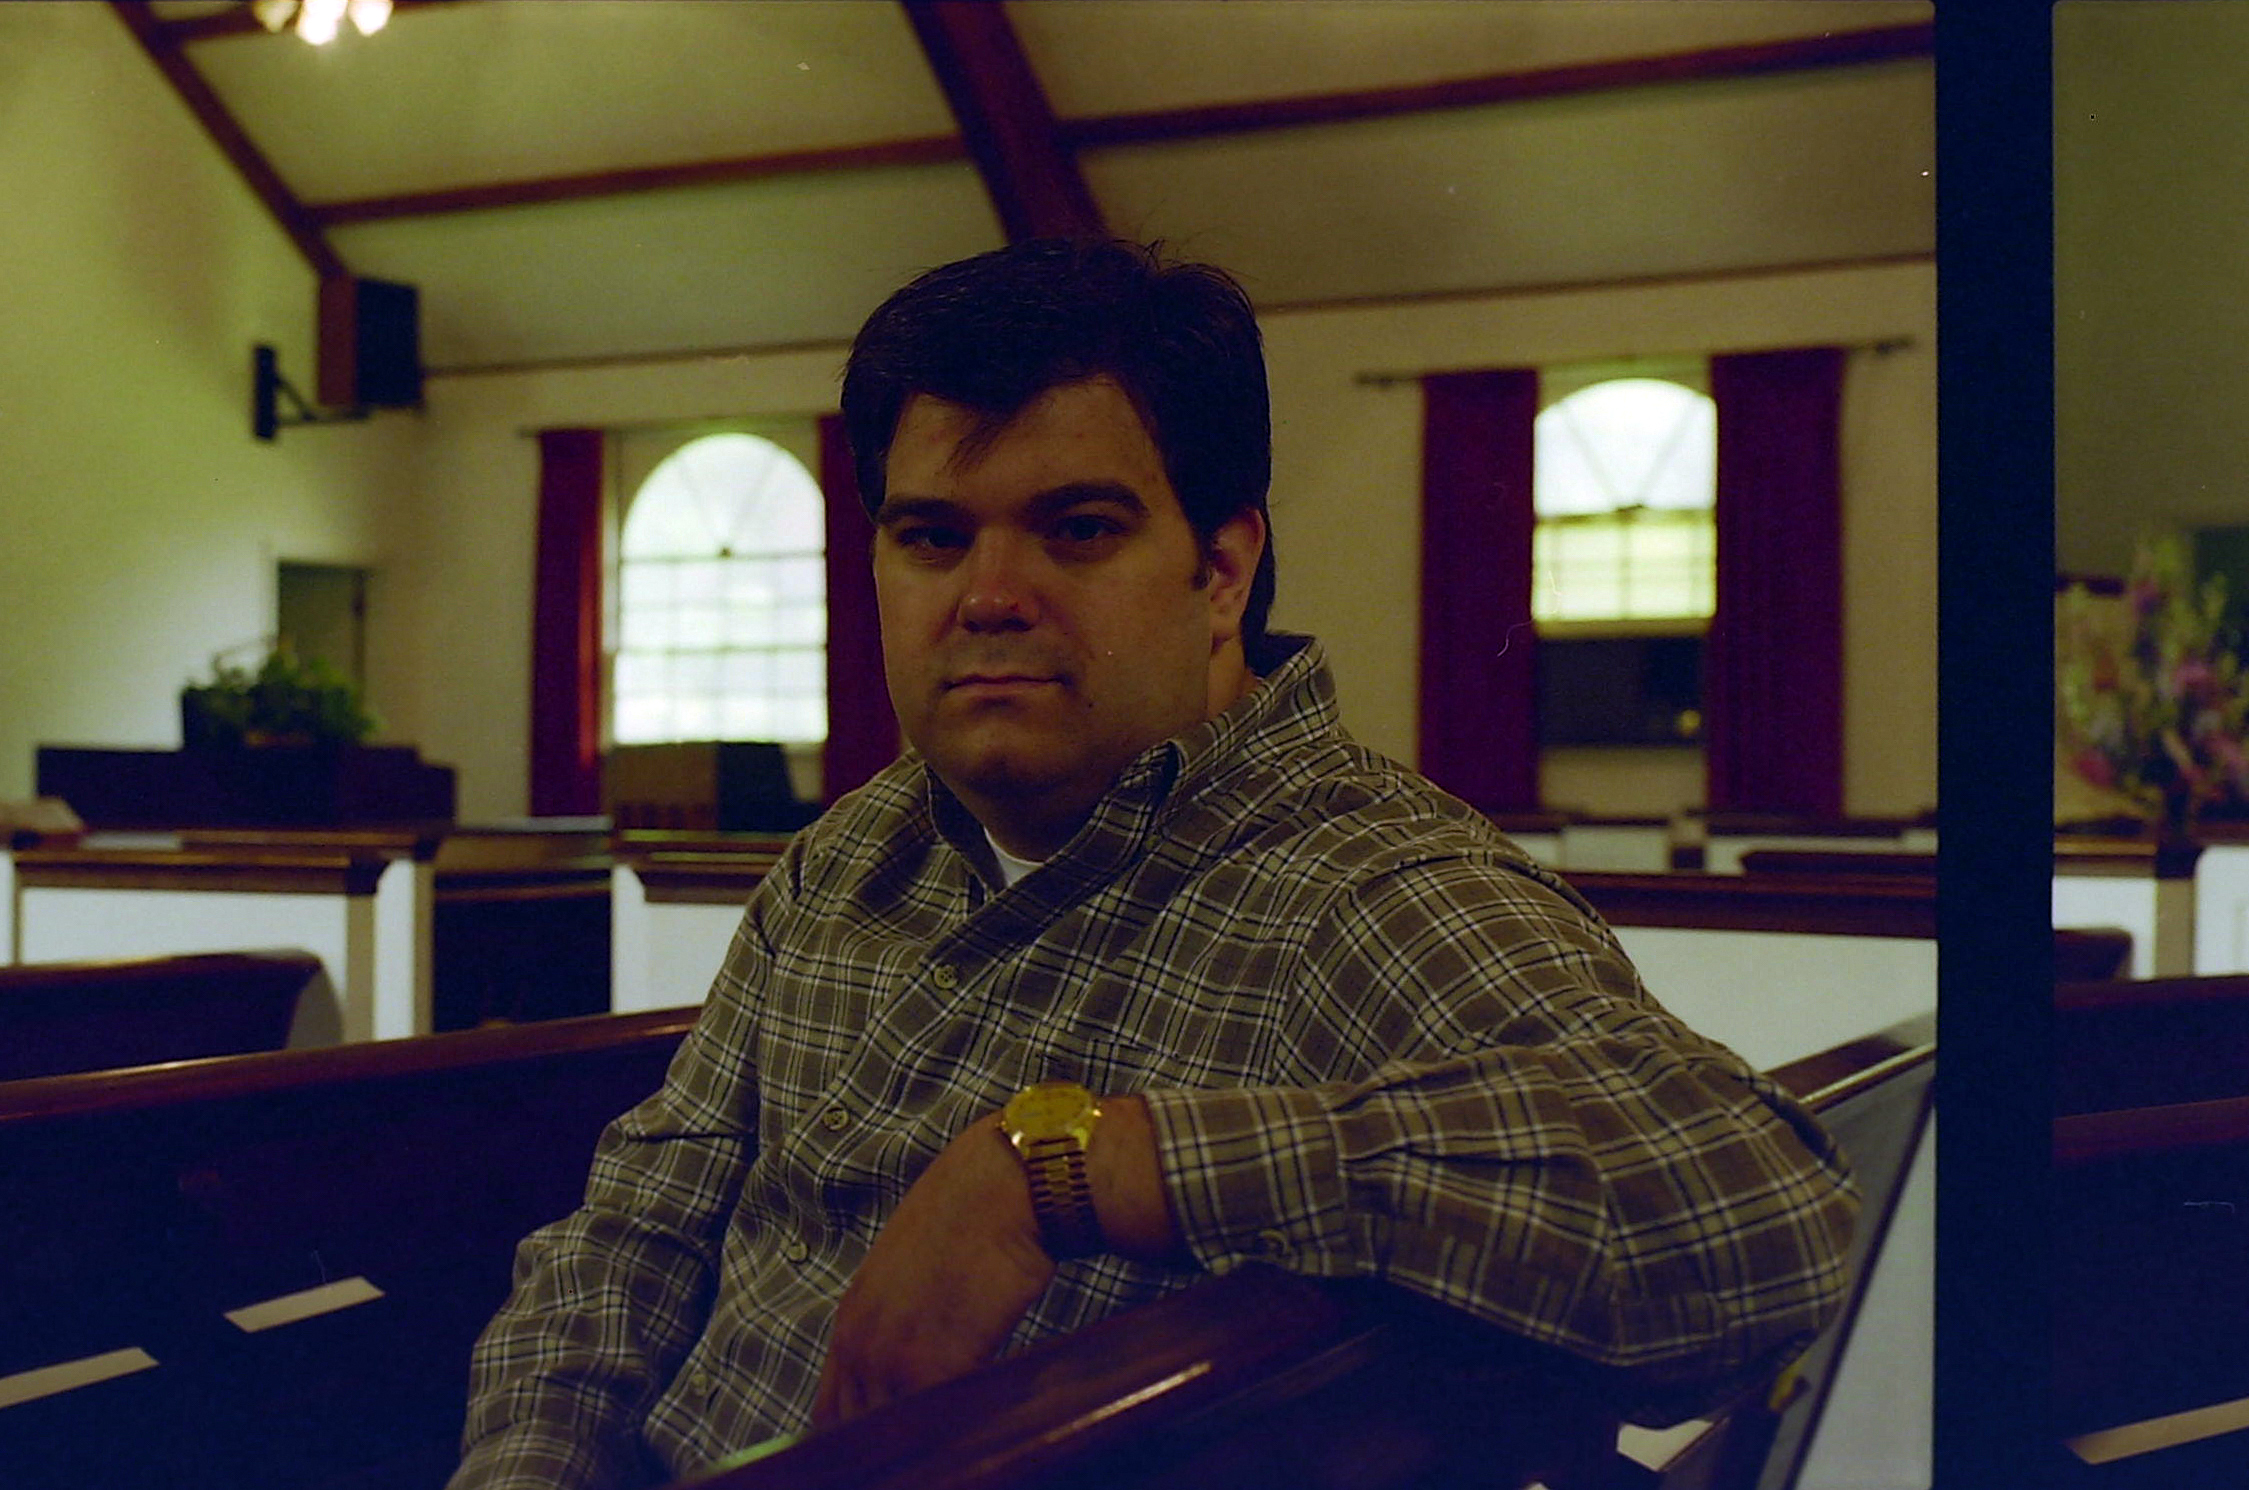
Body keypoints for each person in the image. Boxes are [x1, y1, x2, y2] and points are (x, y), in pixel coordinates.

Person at [451, 239, 1858, 1490]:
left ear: (1221, 570)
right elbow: (631, 1235)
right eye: (931, 536)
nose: (987, 596)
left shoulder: (1356, 887)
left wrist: (1066, 1166)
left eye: (1077, 529)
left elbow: (1760, 1215)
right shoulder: (852, 855)